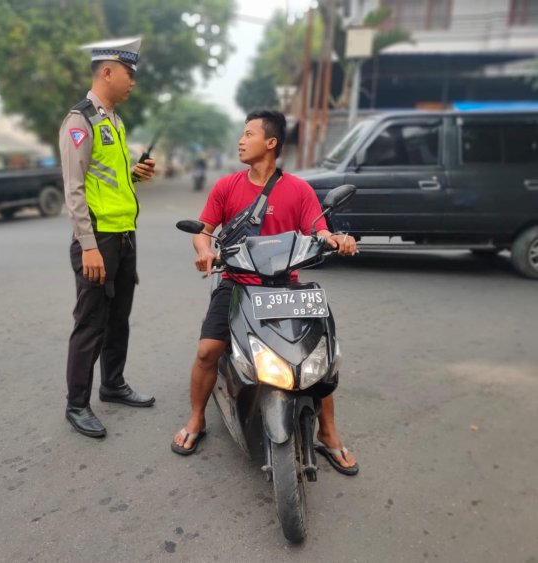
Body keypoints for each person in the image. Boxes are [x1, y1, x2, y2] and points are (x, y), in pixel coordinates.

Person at [170, 109, 360, 476]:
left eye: (249, 134)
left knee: (318, 357)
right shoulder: (226, 186)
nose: (241, 140)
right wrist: (205, 250)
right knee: (208, 350)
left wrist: (337, 239)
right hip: (238, 283)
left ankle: (328, 432)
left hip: (286, 286)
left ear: (270, 143)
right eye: (241, 134)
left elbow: (319, 230)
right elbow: (203, 229)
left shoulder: (299, 190)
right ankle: (196, 419)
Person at [59, 36, 156, 438]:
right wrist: (88, 246)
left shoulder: (113, 121)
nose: (133, 82)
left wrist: (134, 175)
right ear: (108, 72)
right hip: (98, 239)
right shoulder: (79, 121)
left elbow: (107, 178)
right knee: (91, 322)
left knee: (119, 319)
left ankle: (112, 384)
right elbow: (75, 188)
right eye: (129, 74)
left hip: (124, 236)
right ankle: (76, 404)